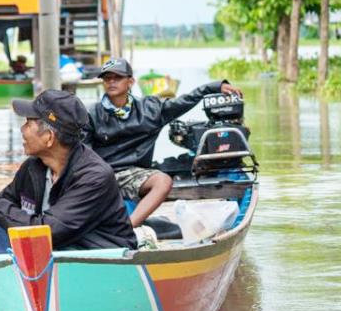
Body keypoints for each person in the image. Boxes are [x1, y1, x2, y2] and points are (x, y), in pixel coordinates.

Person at [0, 90, 137, 258]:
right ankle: (21, 272)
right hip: (49, 250)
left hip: (92, 254)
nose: (22, 129)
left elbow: (46, 231)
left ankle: (23, 272)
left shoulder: (94, 176)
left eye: (28, 123)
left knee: (37, 239)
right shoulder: (33, 167)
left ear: (49, 137)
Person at [88, 58, 242, 228]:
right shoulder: (90, 113)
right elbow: (83, 154)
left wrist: (212, 87)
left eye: (117, 77)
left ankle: (127, 228)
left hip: (135, 175)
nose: (111, 82)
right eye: (107, 78)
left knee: (163, 181)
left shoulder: (150, 109)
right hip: (102, 175)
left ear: (130, 82)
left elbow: (183, 101)